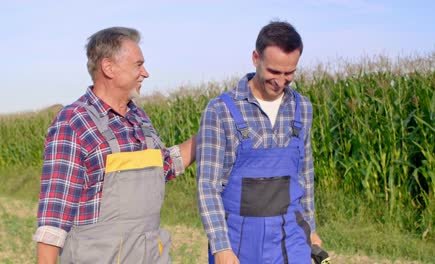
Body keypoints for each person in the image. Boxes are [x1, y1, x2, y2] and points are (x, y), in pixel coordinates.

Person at [33, 27, 196, 264]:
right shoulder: (73, 122)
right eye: (138, 65)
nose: (145, 73)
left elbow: (165, 166)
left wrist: (206, 136)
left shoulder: (139, 118)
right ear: (108, 67)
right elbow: (55, 213)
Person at [197, 21, 322, 264]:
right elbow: (208, 185)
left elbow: (304, 174)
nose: (281, 81)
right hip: (240, 238)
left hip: (292, 235)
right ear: (256, 58)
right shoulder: (220, 110)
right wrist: (221, 247)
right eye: (274, 72)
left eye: (289, 73)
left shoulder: (302, 107)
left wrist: (312, 229)